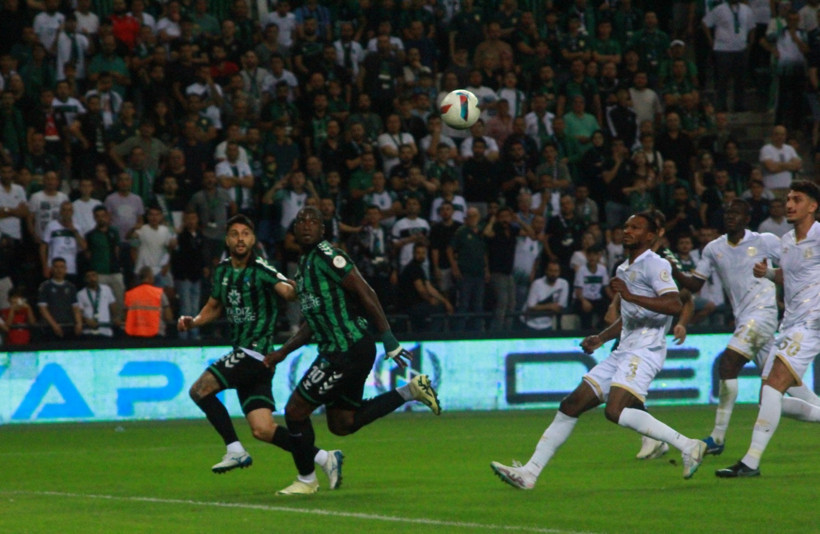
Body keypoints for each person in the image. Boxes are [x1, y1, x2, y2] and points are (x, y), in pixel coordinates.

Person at [490, 212, 707, 489]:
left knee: (614, 410)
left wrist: (630, 296)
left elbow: (674, 304)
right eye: (626, 225)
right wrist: (601, 338)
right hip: (624, 349)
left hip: (646, 349)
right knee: (571, 404)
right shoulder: (623, 269)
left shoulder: (656, 264)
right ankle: (529, 473)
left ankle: (688, 445)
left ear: (650, 236)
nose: (627, 230)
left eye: (635, 227)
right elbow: (629, 317)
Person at [263, 206, 441, 495]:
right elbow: (312, 323)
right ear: (294, 230)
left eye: (314, 221)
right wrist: (281, 353)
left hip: (346, 349)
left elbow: (365, 291)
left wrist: (389, 337)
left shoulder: (328, 256)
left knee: (295, 411)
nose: (307, 225)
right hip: (347, 350)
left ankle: (306, 480)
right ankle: (411, 391)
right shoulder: (306, 266)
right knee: (342, 423)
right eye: (301, 222)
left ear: (323, 230)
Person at [177, 214, 343, 485]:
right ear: (227, 239)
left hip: (254, 352)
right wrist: (193, 321)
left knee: (199, 390)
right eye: (234, 233)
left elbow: (288, 292)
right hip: (253, 361)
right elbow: (214, 306)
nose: (240, 238)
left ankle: (234, 449)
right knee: (263, 430)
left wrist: (309, 279)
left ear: (253, 239)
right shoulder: (222, 271)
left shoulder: (262, 268)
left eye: (245, 233)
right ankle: (325, 458)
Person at [672, 198, 820, 457]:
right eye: (728, 212)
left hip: (762, 316)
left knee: (728, 364)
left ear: (747, 218)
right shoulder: (712, 249)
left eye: (737, 212)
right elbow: (695, 286)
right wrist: (674, 270)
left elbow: (793, 267)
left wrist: (793, 294)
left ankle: (717, 437)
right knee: (777, 395)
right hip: (745, 319)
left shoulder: (765, 241)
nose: (731, 216)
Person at [717, 181, 820, 477]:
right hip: (788, 325)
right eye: (788, 198)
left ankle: (750, 461)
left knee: (774, 385)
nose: (789, 204)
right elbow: (793, 276)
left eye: (797, 199)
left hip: (811, 324)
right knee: (769, 398)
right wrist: (770, 274)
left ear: (812, 206)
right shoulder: (786, 240)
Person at [38, 257, 83, 341]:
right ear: (52, 269)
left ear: (66, 269)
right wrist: (54, 325)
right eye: (56, 267)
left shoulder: (71, 287)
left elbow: (75, 308)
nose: (59, 270)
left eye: (62, 267)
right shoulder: (45, 286)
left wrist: (79, 323)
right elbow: (43, 308)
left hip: (68, 327)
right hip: (50, 328)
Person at [124, 267, 173, 338]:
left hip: (135, 336)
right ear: (150, 278)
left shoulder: (129, 294)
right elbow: (168, 316)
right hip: (156, 334)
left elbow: (126, 317)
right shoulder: (159, 293)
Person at [77, 269, 119, 338]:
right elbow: (79, 312)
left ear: (97, 276)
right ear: (85, 279)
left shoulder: (106, 289)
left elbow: (113, 305)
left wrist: (116, 317)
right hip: (88, 331)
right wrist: (87, 320)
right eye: (89, 276)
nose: (92, 278)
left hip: (105, 330)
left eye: (94, 275)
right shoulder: (81, 294)